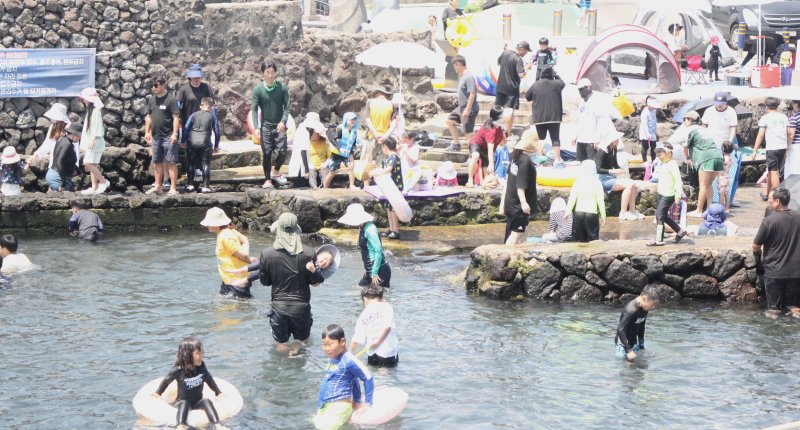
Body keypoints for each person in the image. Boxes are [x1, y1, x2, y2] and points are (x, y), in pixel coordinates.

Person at [259, 212, 325, 354]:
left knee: (280, 344)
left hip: (279, 307)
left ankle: (284, 361)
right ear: (297, 230)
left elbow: (265, 282)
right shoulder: (309, 253)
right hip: (301, 308)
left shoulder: (267, 254)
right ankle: (296, 349)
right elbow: (315, 281)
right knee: (303, 342)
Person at [152, 337, 224, 428]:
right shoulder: (178, 370)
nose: (201, 356)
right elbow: (166, 381)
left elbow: (209, 379)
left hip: (197, 402)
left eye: (202, 352)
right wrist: (158, 393)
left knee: (206, 401)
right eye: (198, 353)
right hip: (180, 404)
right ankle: (181, 425)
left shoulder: (201, 366)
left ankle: (217, 425)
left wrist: (218, 392)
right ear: (187, 355)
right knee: (185, 402)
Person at [313, 324, 374, 430]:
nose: (326, 348)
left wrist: (367, 403)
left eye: (330, 344)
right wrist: (357, 399)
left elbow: (368, 377)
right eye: (324, 344)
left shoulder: (349, 360)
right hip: (325, 405)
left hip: (339, 407)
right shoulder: (334, 358)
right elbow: (354, 379)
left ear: (342, 342)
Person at [752, 188, 800, 317]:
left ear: (777, 201)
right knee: (794, 307)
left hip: (775, 272)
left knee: (774, 309)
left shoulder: (769, 221)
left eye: (770, 199)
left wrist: (758, 254)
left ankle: (773, 333)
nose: (768, 201)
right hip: (796, 272)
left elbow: (755, 246)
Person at [251, 61, 291, 189]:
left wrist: (283, 121)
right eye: (267, 72)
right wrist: (256, 127)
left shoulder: (282, 87)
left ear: (275, 73)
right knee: (267, 153)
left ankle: (276, 172)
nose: (270, 75)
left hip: (280, 126)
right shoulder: (258, 89)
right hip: (266, 127)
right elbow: (254, 109)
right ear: (263, 73)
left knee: (282, 152)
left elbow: (287, 107)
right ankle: (267, 179)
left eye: (272, 72)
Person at [201, 207, 256, 299]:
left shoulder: (225, 236)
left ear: (217, 224)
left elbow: (243, 254)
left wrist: (249, 260)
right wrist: (249, 260)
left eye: (210, 223)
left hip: (236, 281)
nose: (208, 225)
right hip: (228, 279)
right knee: (222, 307)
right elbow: (245, 240)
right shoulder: (228, 231)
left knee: (241, 307)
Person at [680, 111, 723, 217]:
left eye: (685, 119)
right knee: (708, 184)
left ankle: (699, 211)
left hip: (706, 158)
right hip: (718, 156)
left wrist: (688, 158)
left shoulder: (689, 130)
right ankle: (709, 208)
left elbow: (684, 148)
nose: (684, 122)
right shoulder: (704, 129)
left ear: (690, 120)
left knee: (703, 185)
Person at [338, 203, 391, 288]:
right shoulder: (362, 227)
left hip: (379, 271)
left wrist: (374, 272)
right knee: (359, 289)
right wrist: (367, 269)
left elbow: (378, 250)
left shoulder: (370, 229)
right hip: (371, 270)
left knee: (377, 298)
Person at [499, 129, 538, 245]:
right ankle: (506, 256)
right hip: (518, 205)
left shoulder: (516, 156)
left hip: (511, 201)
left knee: (523, 231)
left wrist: (503, 200)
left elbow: (509, 179)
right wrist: (524, 203)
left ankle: (516, 256)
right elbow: (521, 184)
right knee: (517, 232)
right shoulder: (525, 160)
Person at [594, 131, 644, 221]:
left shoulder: (614, 148)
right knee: (629, 184)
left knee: (633, 183)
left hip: (612, 177)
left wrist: (620, 169)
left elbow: (615, 163)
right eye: (617, 138)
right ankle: (623, 212)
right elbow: (598, 169)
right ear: (612, 140)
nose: (619, 140)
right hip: (604, 179)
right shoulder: (602, 150)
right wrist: (612, 171)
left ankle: (632, 211)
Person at [145, 76, 181, 195]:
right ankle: (158, 186)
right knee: (157, 162)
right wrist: (147, 131)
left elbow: (176, 117)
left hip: (169, 135)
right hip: (156, 136)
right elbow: (149, 117)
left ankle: (173, 188)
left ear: (163, 85)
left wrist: (175, 134)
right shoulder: (151, 100)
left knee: (171, 162)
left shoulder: (171, 99)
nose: (153, 88)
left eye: (156, 85)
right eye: (151, 86)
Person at [751, 96, 790, 202]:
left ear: (766, 107)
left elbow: (760, 135)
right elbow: (789, 133)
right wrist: (787, 145)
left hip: (772, 148)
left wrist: (755, 150)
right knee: (771, 171)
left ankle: (779, 197)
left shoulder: (765, 118)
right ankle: (766, 193)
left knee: (774, 172)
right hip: (782, 147)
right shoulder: (784, 117)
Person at [350, 285, 399, 367]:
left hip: (371, 353)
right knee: (385, 376)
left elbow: (357, 339)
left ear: (365, 299)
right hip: (387, 352)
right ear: (382, 297)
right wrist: (378, 342)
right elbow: (387, 326)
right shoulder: (387, 307)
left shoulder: (363, 314)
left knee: (371, 372)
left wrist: (349, 354)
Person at [33, 103, 78, 192]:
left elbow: (75, 149)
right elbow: (46, 145)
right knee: (61, 192)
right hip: (54, 166)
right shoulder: (52, 127)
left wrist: (75, 168)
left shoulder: (70, 129)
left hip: (64, 167)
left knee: (58, 191)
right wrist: (35, 155)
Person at [649, 143, 688, 246]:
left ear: (669, 153)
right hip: (662, 194)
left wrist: (678, 195)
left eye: (660, 153)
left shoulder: (673, 164)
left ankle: (659, 239)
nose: (658, 156)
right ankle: (680, 231)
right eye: (657, 154)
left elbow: (678, 181)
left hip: (669, 195)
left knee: (659, 216)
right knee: (664, 216)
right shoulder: (664, 164)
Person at [525, 66, 565, 165]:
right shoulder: (557, 84)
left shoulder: (535, 85)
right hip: (554, 118)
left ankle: (540, 159)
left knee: (541, 138)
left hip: (539, 117)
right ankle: (557, 159)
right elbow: (563, 83)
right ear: (552, 74)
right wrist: (556, 75)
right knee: (555, 138)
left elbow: (527, 97)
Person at [77, 87, 110, 195]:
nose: (83, 101)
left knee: (87, 163)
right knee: (92, 164)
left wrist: (93, 139)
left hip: (94, 142)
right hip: (93, 142)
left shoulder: (95, 111)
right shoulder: (91, 110)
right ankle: (94, 187)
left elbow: (97, 126)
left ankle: (103, 181)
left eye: (85, 99)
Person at [184, 97, 221, 193]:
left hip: (192, 142)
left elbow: (187, 128)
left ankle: (190, 185)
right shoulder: (212, 116)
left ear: (201, 105)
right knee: (206, 164)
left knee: (191, 164)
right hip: (205, 143)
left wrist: (183, 141)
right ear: (210, 107)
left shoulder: (194, 115)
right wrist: (216, 145)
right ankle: (205, 186)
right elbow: (217, 131)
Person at [573, 78, 615, 162]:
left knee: (592, 164)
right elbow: (580, 120)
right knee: (580, 162)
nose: (580, 92)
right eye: (579, 90)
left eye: (581, 89)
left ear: (588, 87)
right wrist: (575, 135)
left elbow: (600, 121)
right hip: (581, 139)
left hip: (591, 140)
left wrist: (598, 139)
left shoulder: (596, 100)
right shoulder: (582, 103)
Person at [615, 285, 660, 362]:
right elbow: (620, 329)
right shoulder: (631, 310)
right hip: (622, 344)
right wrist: (629, 350)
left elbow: (641, 326)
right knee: (627, 367)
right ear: (644, 299)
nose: (654, 307)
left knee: (642, 365)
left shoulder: (645, 309)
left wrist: (641, 346)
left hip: (633, 342)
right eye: (653, 304)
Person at [371, 137, 403, 240]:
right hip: (388, 185)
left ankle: (395, 230)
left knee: (393, 208)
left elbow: (388, 169)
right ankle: (391, 228)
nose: (382, 149)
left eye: (382, 146)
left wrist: (376, 172)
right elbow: (382, 168)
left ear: (386, 146)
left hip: (395, 186)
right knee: (388, 207)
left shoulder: (394, 157)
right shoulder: (387, 157)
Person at [565, 160, 605, 242]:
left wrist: (567, 212)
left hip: (578, 213)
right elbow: (600, 201)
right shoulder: (597, 182)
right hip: (591, 213)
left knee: (578, 239)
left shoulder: (577, 182)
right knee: (593, 240)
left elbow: (572, 198)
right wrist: (603, 215)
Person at [466, 105, 505, 188]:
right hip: (476, 144)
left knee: (487, 171)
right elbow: (490, 148)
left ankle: (484, 183)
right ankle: (470, 179)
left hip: (486, 149)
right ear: (498, 117)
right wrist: (491, 163)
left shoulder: (500, 127)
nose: (505, 116)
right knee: (476, 155)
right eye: (503, 115)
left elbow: (502, 142)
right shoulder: (490, 130)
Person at [445, 55, 478, 152]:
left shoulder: (469, 76)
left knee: (468, 134)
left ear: (459, 65)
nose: (454, 68)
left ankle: (473, 156)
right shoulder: (462, 76)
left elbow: (472, 94)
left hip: (469, 108)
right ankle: (456, 144)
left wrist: (467, 109)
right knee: (450, 121)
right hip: (461, 107)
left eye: (455, 66)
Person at [495, 41, 530, 132]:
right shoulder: (518, 59)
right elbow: (521, 75)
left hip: (500, 86)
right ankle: (508, 133)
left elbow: (498, 63)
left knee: (498, 109)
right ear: (522, 50)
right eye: (526, 51)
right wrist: (527, 67)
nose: (526, 54)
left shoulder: (505, 52)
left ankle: (497, 130)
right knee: (509, 111)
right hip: (511, 89)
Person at [292, 112, 331, 189]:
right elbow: (303, 152)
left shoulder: (325, 143)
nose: (314, 133)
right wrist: (307, 168)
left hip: (322, 164)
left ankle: (325, 186)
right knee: (311, 171)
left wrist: (325, 164)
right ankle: (314, 187)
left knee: (325, 171)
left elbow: (330, 156)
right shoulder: (304, 137)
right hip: (309, 164)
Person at [325, 112, 359, 189]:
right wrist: (340, 148)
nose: (353, 121)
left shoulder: (354, 131)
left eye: (354, 119)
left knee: (351, 167)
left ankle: (352, 185)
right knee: (332, 172)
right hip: (337, 154)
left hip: (347, 154)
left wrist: (351, 154)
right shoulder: (340, 129)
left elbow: (353, 143)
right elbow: (332, 139)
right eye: (351, 119)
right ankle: (325, 187)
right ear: (346, 120)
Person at [362, 86, 394, 165]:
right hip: (385, 139)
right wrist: (385, 136)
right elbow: (393, 124)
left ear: (376, 93)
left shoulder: (370, 102)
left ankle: (367, 177)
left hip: (372, 136)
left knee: (366, 164)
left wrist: (375, 133)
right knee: (380, 164)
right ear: (385, 95)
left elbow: (367, 119)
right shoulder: (392, 104)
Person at [52, 122, 81, 192]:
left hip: (54, 173)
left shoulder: (63, 140)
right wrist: (63, 184)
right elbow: (59, 162)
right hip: (58, 176)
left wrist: (78, 171)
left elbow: (67, 160)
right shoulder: (67, 145)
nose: (80, 138)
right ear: (74, 134)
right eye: (79, 136)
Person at [638, 96, 659, 163]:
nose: (653, 107)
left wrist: (655, 131)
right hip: (645, 131)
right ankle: (645, 161)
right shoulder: (645, 112)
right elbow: (645, 124)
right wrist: (647, 134)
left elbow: (654, 121)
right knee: (645, 146)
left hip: (652, 131)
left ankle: (653, 161)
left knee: (654, 147)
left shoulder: (654, 111)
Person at [718, 141, 734, 212]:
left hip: (721, 178)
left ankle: (720, 209)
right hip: (727, 178)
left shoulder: (723, 158)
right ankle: (727, 208)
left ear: (723, 149)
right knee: (726, 194)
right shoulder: (730, 158)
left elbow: (720, 168)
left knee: (721, 194)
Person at [787, 98, 800, 177]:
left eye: (793, 103)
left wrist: (787, 145)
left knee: (794, 166)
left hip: (796, 145)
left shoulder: (794, 117)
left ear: (797, 104)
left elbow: (791, 134)